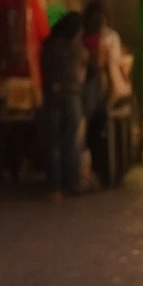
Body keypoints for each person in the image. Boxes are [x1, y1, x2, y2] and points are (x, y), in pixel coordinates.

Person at [82, 0, 133, 187]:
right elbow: (115, 63)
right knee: (105, 130)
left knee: (90, 131)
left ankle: (94, 172)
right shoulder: (110, 37)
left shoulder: (83, 37)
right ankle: (107, 173)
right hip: (107, 87)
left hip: (87, 87)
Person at [39, 13, 88, 198]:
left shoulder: (49, 45)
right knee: (71, 140)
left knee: (53, 142)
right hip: (71, 95)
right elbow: (81, 71)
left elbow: (44, 67)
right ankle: (72, 183)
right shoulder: (76, 47)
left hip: (52, 93)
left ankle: (55, 187)